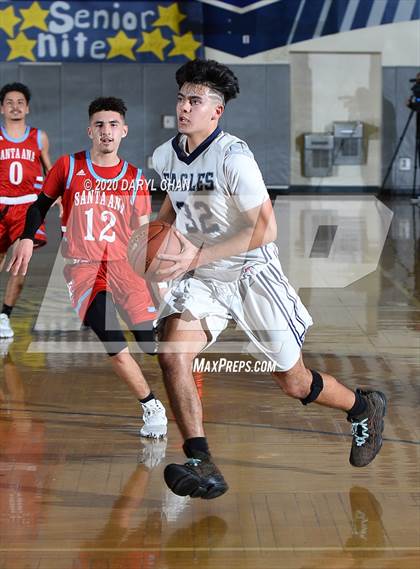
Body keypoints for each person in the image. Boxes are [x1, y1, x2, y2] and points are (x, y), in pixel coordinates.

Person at [150, 59, 387, 499]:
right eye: (182, 97)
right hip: (203, 277)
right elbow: (173, 203)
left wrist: (196, 254)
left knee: (292, 381)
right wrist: (151, 237)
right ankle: (201, 461)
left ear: (216, 111)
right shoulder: (167, 154)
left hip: (251, 273)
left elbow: (264, 229)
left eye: (195, 101)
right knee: (171, 351)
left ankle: (362, 407)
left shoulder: (234, 158)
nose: (184, 107)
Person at [8, 97, 167, 438]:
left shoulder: (135, 178)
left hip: (126, 268)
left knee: (149, 345)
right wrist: (24, 237)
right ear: (89, 130)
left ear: (123, 131)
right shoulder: (67, 167)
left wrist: (157, 283)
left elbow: (142, 234)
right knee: (111, 338)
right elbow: (39, 205)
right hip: (84, 269)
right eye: (99, 125)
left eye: (113, 125)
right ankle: (151, 405)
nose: (106, 131)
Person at [0, 82, 52, 339]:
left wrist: (59, 200)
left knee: (21, 263)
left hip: (26, 206)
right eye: (9, 102)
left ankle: (4, 317)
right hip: (0, 204)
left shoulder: (38, 137)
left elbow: (49, 171)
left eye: (20, 102)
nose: (15, 106)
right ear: (1, 108)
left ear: (27, 107)